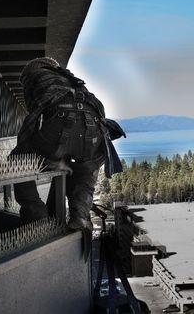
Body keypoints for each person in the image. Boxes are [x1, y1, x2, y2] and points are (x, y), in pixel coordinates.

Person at [10, 57, 125, 231]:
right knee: (86, 170)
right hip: (93, 128)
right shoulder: (72, 80)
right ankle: (79, 216)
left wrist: (34, 151)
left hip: (60, 124)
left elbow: (34, 114)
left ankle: (37, 216)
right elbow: (98, 110)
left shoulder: (33, 76)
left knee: (17, 160)